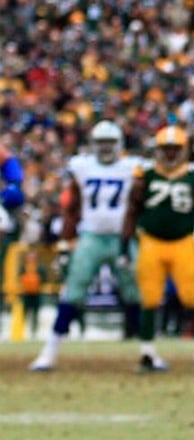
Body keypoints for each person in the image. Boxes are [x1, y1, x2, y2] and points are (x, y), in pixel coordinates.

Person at [30, 120, 142, 371]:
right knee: (73, 291)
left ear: (119, 145)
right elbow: (73, 208)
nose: (105, 148)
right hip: (90, 236)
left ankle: (147, 352)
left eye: (109, 143)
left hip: (121, 237)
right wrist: (64, 242)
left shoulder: (131, 168)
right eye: (101, 143)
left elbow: (138, 206)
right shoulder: (82, 167)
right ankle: (50, 351)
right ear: (93, 144)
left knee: (136, 292)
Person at [120, 125, 194, 373]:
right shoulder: (145, 174)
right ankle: (147, 353)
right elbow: (132, 211)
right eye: (167, 149)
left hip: (183, 242)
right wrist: (124, 244)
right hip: (151, 241)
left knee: (191, 297)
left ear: (184, 150)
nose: (171, 154)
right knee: (150, 298)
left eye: (175, 149)